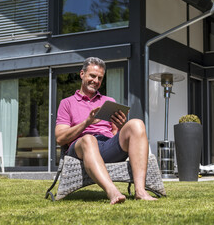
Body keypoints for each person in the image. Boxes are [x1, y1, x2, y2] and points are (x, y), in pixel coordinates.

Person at [55, 57, 157, 204]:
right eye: (92, 76)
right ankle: (113, 192)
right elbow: (60, 138)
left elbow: (116, 135)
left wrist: (122, 125)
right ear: (82, 74)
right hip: (80, 148)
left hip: (106, 145)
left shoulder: (108, 102)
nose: (96, 81)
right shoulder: (67, 103)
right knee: (89, 139)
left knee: (137, 123)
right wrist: (87, 123)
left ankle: (140, 191)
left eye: (100, 78)